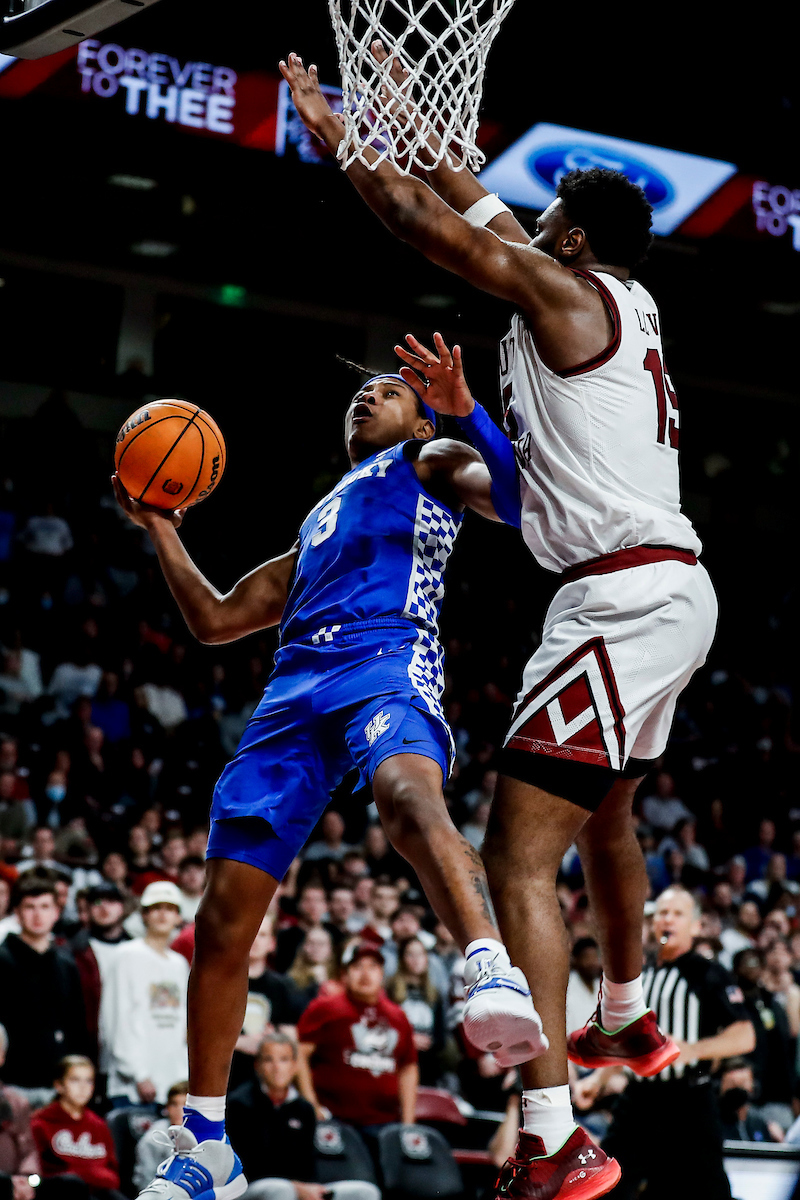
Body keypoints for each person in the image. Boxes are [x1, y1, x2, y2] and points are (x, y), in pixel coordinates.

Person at [281, 53, 718, 1196]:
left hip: (617, 596)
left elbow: (423, 223)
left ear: (569, 239)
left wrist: (338, 134)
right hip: (662, 588)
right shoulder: (594, 296)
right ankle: (621, 1013)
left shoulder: (565, 296)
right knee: (606, 812)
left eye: (547, 216)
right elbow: (466, 196)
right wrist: (411, 113)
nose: (529, 223)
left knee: (518, 854)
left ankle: (554, 1134)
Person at [118, 362, 545, 1194]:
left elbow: (524, 503)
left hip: (384, 658)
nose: (369, 393)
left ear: (419, 422)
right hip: (292, 693)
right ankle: (206, 1144)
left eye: (391, 390)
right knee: (222, 918)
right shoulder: (318, 519)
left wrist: (467, 414)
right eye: (363, 389)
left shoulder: (430, 462)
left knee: (408, 799)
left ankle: (491, 967)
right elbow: (215, 619)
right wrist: (160, 525)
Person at [595, 887, 755, 1198]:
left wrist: (694, 1049)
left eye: (678, 914)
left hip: (688, 1101)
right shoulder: (641, 975)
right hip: (638, 1099)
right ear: (653, 923)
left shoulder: (707, 972)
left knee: (706, 1191)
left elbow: (745, 1035)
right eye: (663, 913)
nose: (668, 919)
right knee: (606, 1185)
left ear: (695, 926)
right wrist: (599, 1079)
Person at [227, 1033, 379, 1200]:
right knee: (280, 1190)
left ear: (294, 1066)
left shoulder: (304, 1108)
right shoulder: (239, 1104)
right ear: (257, 1066)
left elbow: (307, 1163)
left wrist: (309, 1188)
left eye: (284, 1060)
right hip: (251, 1186)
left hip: (298, 1187)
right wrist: (295, 1187)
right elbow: (244, 1166)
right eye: (269, 1060)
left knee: (365, 1192)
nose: (277, 1067)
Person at [295, 942, 417, 1136]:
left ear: (382, 974)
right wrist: (312, 1105)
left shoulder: (398, 1017)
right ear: (344, 974)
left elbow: (408, 1068)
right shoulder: (324, 1009)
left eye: (372, 967)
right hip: (334, 1120)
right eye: (357, 967)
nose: (365, 974)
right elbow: (299, 1054)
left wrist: (408, 1124)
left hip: (385, 1122)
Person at [0, 879, 88, 1109]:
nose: (37, 915)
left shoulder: (66, 964)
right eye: (30, 907)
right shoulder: (2, 960)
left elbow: (77, 1026)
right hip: (12, 1084)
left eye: (45, 907)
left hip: (59, 1086)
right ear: (17, 913)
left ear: (56, 913)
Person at [100, 881, 188, 1108]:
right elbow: (114, 1019)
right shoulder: (126, 956)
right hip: (133, 1087)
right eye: (156, 908)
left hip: (172, 1084)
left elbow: (182, 1024)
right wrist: (137, 1073)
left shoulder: (179, 964)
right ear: (144, 915)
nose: (163, 914)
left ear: (178, 917)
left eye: (170, 908)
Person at [30, 1056, 122, 1200]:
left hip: (100, 1192)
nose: (83, 1087)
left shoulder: (99, 1125)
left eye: (88, 1081)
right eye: (75, 1080)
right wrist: (93, 1175)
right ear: (59, 1085)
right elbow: (39, 1175)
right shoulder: (40, 1124)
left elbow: (113, 1175)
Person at [0, 1022, 40, 1200]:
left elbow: (28, 1151)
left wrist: (25, 1178)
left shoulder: (16, 1102)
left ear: (2, 1057)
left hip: (11, 1184)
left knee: (71, 1185)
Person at [132, 1082, 189, 1194]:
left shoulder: (203, 1134)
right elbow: (146, 1181)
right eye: (174, 1104)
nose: (179, 1110)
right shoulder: (153, 1139)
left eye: (185, 1105)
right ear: (167, 1108)